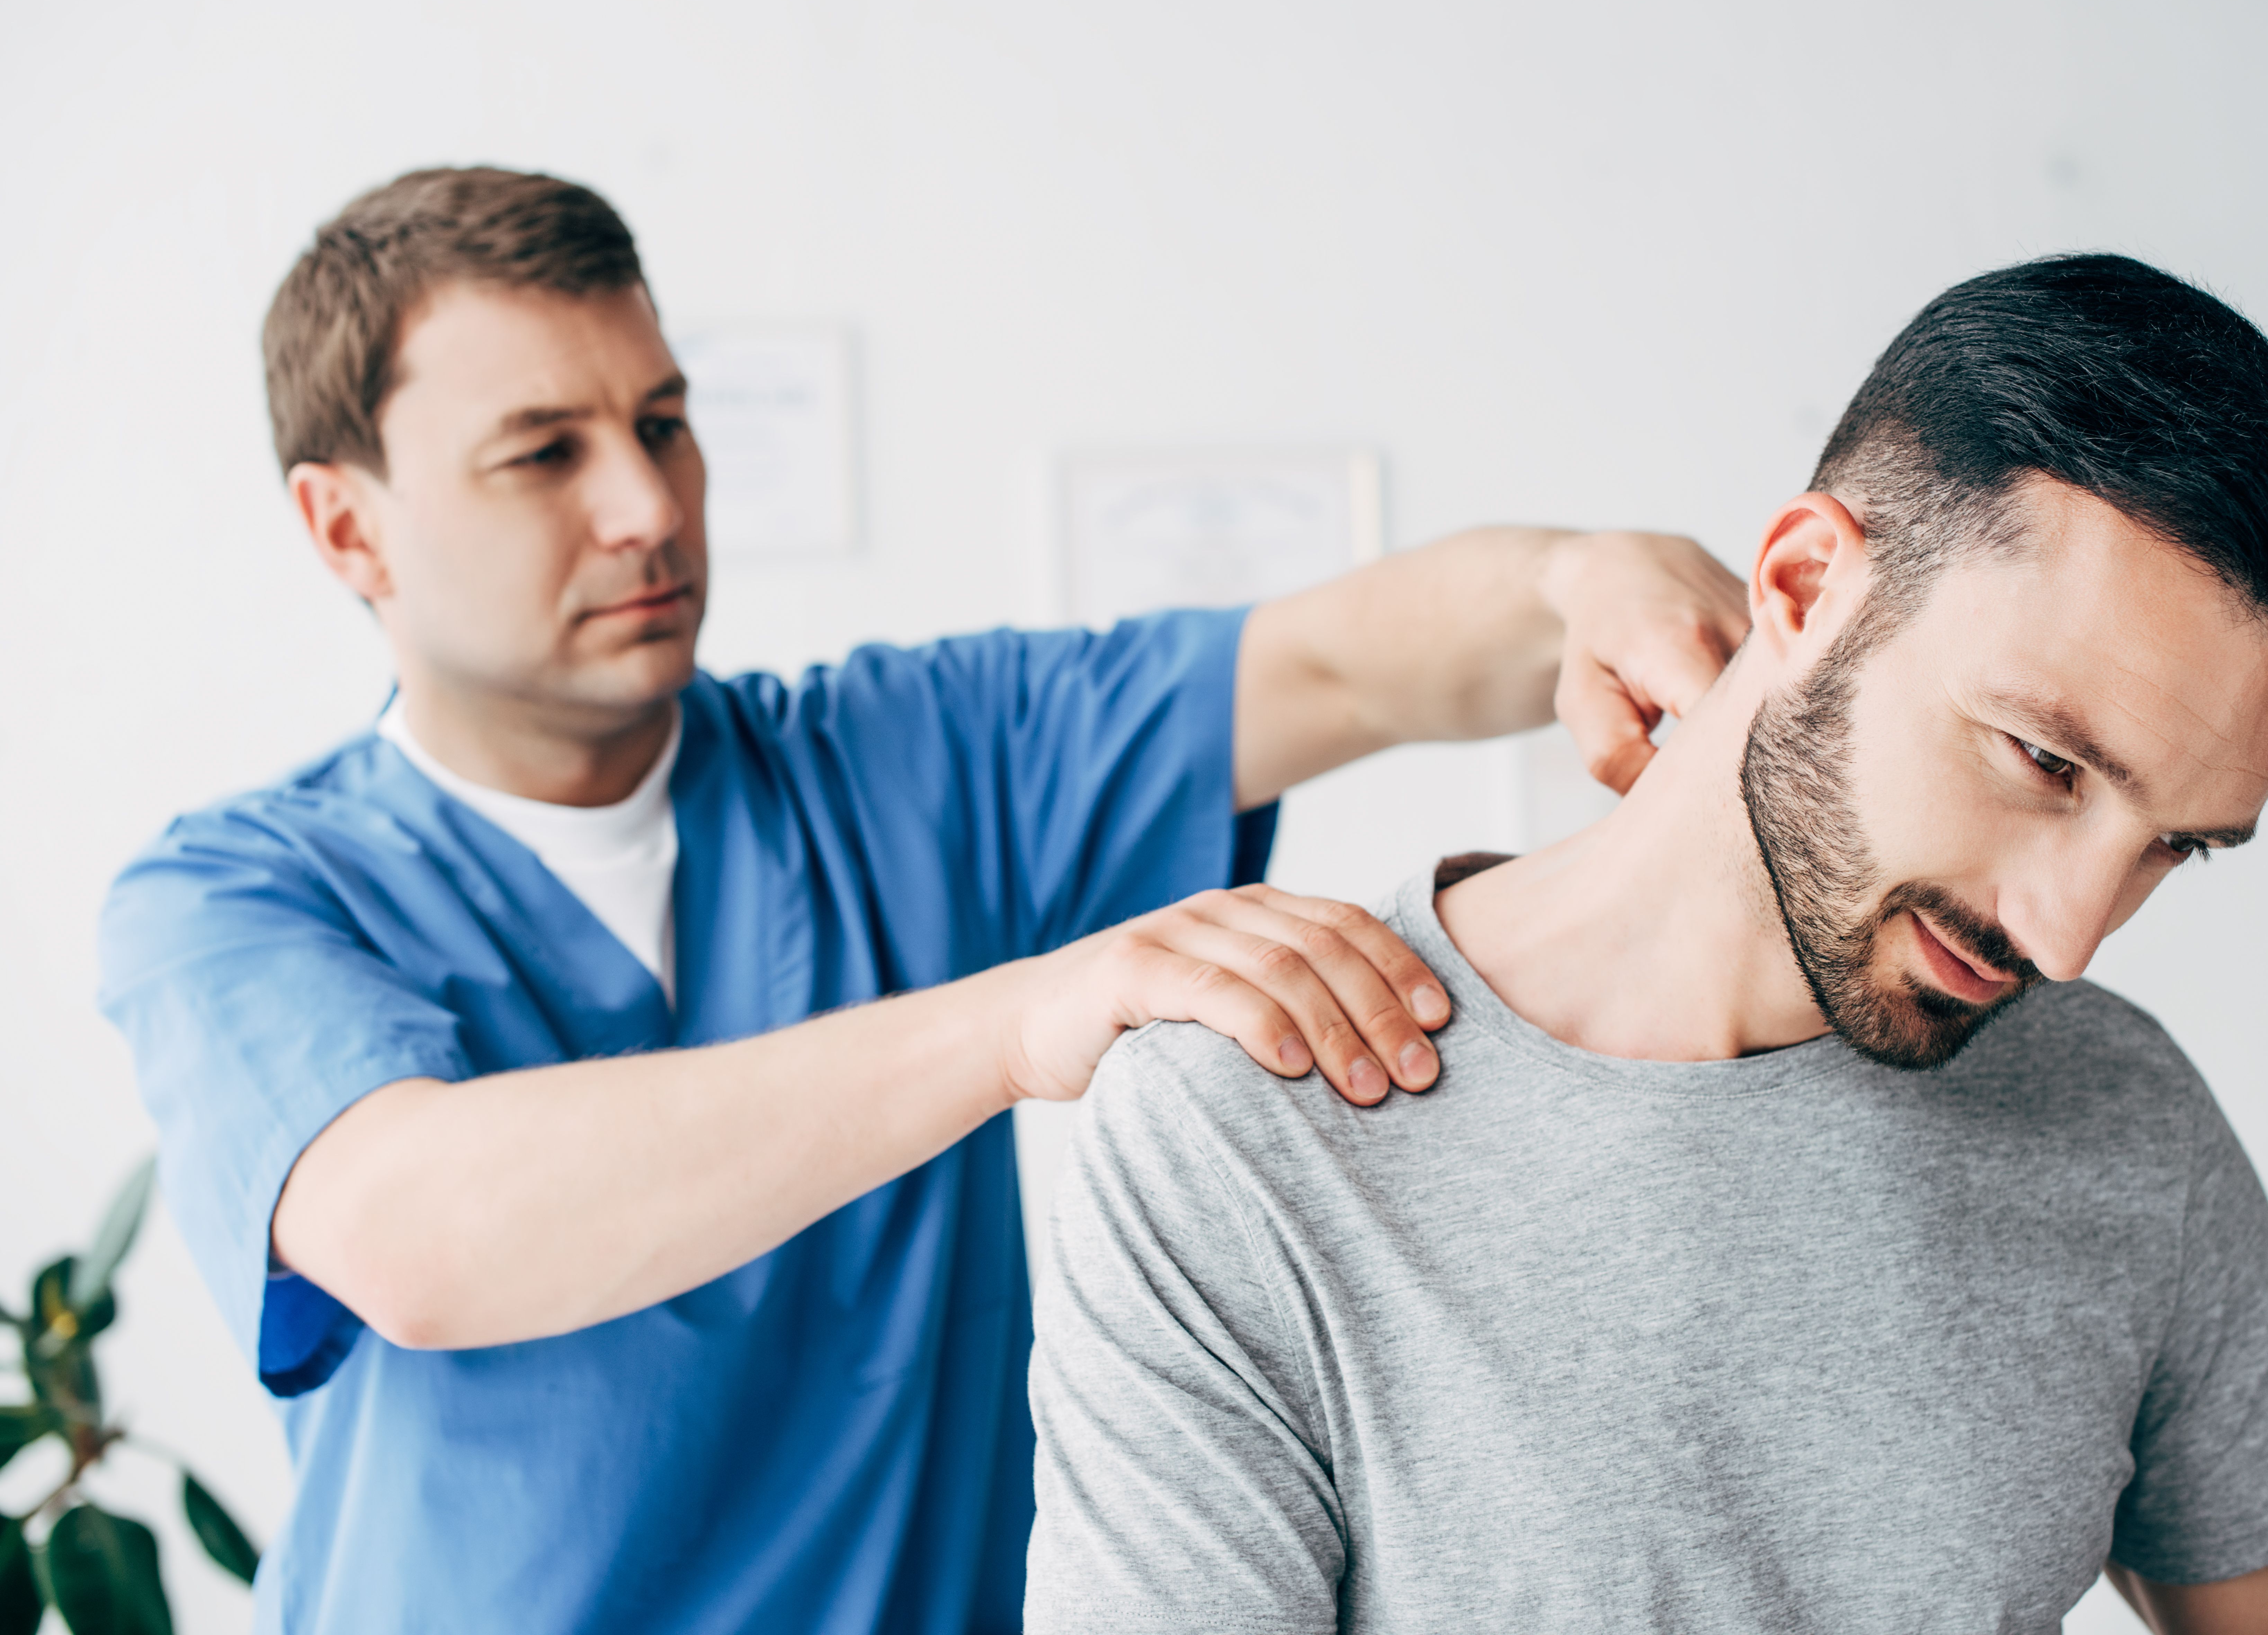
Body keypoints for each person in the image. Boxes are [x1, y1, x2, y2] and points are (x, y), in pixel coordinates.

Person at [94, 167, 1754, 1634]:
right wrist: (1018, 1022)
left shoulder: (899, 761)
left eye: (663, 423)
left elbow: (1337, 661)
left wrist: (1575, 583)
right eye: (544, 453)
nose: (648, 507)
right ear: (347, 528)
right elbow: (421, 1236)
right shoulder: (235, 895)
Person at [1025, 255, 2268, 1634]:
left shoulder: (2125, 1110)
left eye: (2176, 844)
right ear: (1806, 586)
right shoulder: (1245, 1131)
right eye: (2045, 762)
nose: (2069, 936)